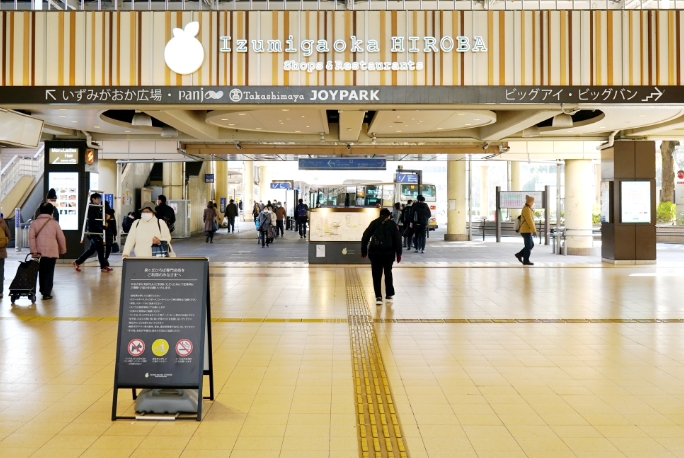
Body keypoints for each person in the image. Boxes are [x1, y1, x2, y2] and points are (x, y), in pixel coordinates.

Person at [361, 208, 402, 305]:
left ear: (380, 215)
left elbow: (365, 236)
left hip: (375, 252)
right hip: (388, 253)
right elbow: (397, 239)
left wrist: (364, 251)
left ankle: (378, 297)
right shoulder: (392, 224)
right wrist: (399, 253)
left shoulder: (374, 223)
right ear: (388, 215)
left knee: (376, 274)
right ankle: (388, 295)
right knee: (388, 273)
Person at [29, 203, 66, 300]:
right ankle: (47, 293)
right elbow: (61, 238)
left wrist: (34, 251)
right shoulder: (54, 223)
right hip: (51, 251)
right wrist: (62, 250)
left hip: (39, 253)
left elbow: (31, 238)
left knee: (41, 271)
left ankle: (42, 289)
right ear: (51, 212)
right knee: (49, 272)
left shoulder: (34, 223)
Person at [73, 193, 112, 273]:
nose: (99, 200)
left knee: (91, 250)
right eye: (97, 198)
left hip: (95, 232)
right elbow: (92, 220)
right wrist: (101, 227)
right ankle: (103, 266)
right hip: (93, 232)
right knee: (100, 249)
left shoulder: (97, 208)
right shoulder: (91, 208)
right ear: (93, 199)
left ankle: (77, 262)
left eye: (99, 198)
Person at [515, 195, 537, 266]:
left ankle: (520, 254)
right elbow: (529, 221)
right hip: (525, 230)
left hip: (527, 230)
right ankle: (526, 260)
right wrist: (534, 230)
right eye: (532, 202)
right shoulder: (526, 209)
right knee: (528, 246)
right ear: (530, 202)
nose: (533, 203)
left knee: (531, 245)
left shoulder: (527, 208)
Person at [0, 216, 10, 298]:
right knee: (0, 272)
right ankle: (0, 292)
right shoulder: (3, 223)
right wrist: (4, 244)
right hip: (1, 252)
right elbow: (8, 236)